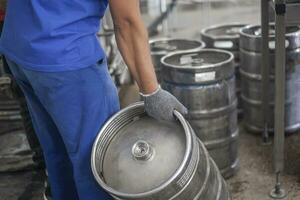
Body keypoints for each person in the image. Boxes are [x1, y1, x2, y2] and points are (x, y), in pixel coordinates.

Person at [0, 0, 187, 200]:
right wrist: (152, 92)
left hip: (20, 47)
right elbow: (127, 23)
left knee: (57, 152)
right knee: (97, 163)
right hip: (67, 61)